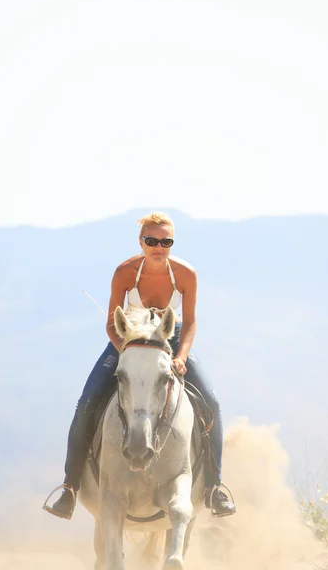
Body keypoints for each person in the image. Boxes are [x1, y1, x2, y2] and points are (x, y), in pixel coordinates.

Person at [45, 211, 236, 519]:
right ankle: (70, 487)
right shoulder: (125, 272)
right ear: (141, 242)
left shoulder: (186, 275)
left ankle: (214, 489)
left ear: (172, 242)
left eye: (166, 241)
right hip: (127, 344)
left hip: (169, 343)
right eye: (151, 240)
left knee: (211, 403)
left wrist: (181, 358)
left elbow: (189, 324)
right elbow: (111, 323)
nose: (158, 246)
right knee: (87, 402)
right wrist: (129, 353)